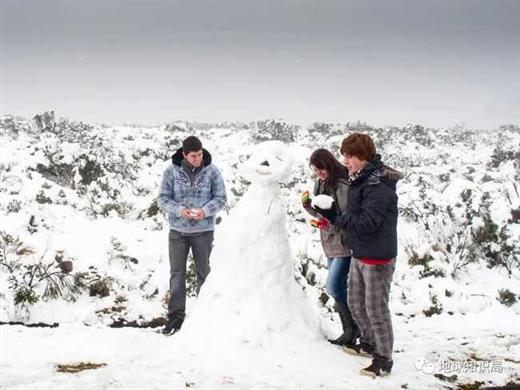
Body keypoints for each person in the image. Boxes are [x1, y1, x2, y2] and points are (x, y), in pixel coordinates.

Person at [315, 133, 402, 378]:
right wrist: (332, 214)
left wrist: (336, 217)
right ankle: (369, 342)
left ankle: (383, 358)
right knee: (355, 302)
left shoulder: (378, 186)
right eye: (344, 155)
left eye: (350, 156)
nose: (346, 161)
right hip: (360, 253)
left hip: (378, 257)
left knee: (376, 309)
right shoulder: (359, 179)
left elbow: (367, 222)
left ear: (362, 156)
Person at [158, 135, 227, 335]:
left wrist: (205, 211)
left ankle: (205, 316)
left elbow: (221, 197)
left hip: (204, 231)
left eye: (199, 154)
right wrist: (180, 210)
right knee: (177, 274)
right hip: (178, 231)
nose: (198, 159)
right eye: (193, 156)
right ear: (184, 155)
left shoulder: (212, 171)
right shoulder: (171, 172)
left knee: (204, 274)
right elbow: (163, 199)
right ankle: (176, 317)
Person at [301, 149, 359, 347]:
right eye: (316, 170)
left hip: (342, 242)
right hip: (328, 242)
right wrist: (308, 206)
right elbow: (321, 212)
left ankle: (351, 328)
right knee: (339, 287)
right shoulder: (320, 182)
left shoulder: (341, 184)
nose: (319, 173)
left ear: (329, 164)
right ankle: (350, 330)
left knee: (334, 286)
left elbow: (344, 216)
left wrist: (329, 223)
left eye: (321, 169)